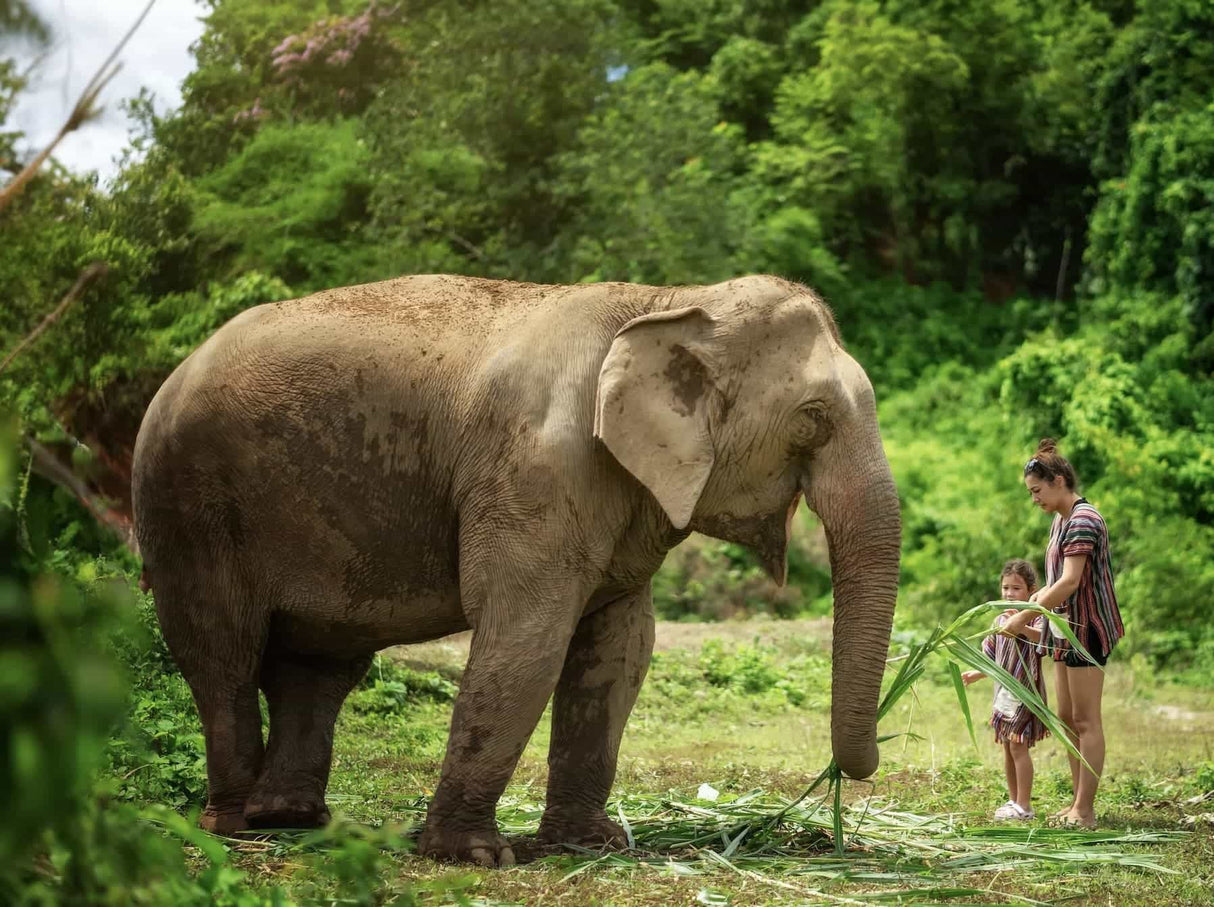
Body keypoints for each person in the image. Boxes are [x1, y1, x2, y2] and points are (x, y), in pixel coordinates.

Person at [1000, 438, 1124, 829]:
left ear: (1058, 481)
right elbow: (1056, 582)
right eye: (1031, 492)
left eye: (1037, 490)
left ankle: (1085, 811)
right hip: (1062, 629)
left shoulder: (1084, 519)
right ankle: (1076, 802)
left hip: (1087, 630)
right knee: (1068, 719)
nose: (1034, 498)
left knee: (1086, 721)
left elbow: (1070, 582)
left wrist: (1025, 616)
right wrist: (1036, 605)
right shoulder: (1059, 520)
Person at [963, 559, 1048, 821]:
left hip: (1024, 693)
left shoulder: (1036, 616)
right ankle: (1013, 800)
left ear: (1031, 591)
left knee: (1019, 747)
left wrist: (1021, 626)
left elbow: (1045, 641)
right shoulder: (999, 620)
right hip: (1003, 696)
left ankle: (1025, 805)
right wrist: (976, 674)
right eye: (1005, 588)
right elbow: (991, 657)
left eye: (1016, 588)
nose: (1009, 594)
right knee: (1008, 748)